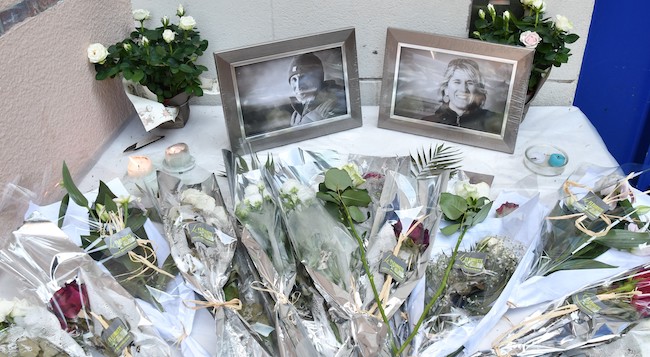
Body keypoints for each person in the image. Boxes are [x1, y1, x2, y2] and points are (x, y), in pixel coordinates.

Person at [422, 58, 503, 134]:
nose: (463, 89)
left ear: (477, 90)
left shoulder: (493, 122)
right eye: (457, 82)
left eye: (470, 83)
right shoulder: (428, 123)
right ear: (446, 89)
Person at [287, 53, 347, 126]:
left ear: (318, 78)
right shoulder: (296, 115)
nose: (299, 86)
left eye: (304, 78)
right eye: (294, 80)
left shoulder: (334, 105)